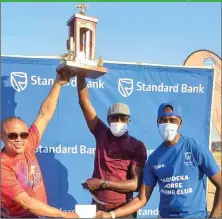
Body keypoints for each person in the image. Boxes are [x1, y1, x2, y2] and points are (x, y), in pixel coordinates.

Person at [96, 101, 222, 218]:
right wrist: (111, 215)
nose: (167, 124)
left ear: (180, 123)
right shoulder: (155, 158)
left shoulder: (194, 148)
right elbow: (141, 199)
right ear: (157, 123)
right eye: (163, 120)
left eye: (172, 120)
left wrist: (214, 216)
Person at [1, 73, 79, 218]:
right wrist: (63, 214)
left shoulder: (28, 144)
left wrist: (57, 83)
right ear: (2, 137)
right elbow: (26, 202)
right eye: (13, 135)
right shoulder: (3, 167)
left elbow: (45, 114)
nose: (19, 139)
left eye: (23, 134)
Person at [77, 75, 147, 218]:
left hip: (122, 210)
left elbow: (135, 185)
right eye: (114, 118)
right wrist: (80, 73)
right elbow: (84, 103)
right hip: (97, 206)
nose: (119, 121)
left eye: (123, 118)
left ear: (129, 121)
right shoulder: (101, 133)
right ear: (108, 119)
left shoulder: (137, 146)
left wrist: (103, 184)